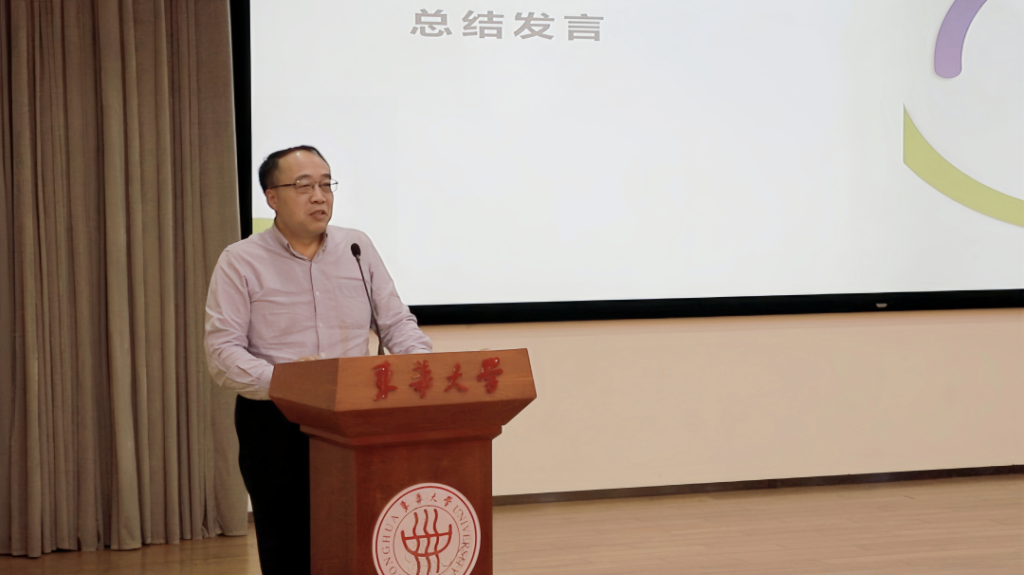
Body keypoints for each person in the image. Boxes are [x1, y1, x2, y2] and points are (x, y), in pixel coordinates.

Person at [204, 145, 432, 574]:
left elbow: (396, 323)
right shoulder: (241, 260)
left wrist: (422, 366)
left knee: (363, 537)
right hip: (277, 419)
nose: (319, 196)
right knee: (289, 546)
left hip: (354, 416)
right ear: (272, 197)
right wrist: (291, 382)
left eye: (327, 185)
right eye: (304, 186)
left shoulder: (356, 247)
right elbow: (222, 352)